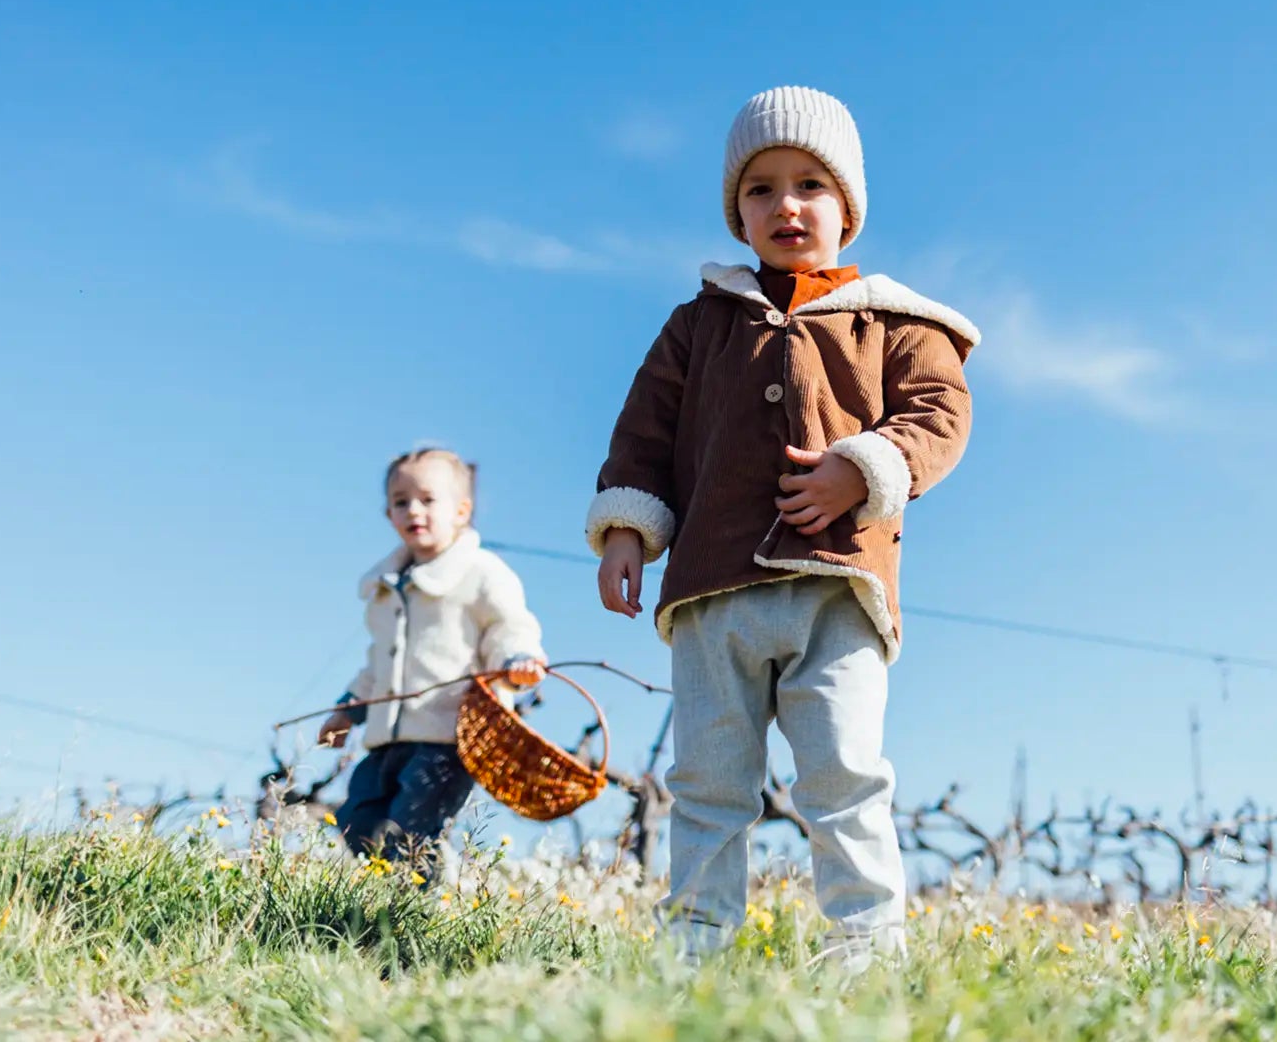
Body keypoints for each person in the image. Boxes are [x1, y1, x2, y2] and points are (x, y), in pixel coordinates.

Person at [586, 86, 978, 969]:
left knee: (843, 776)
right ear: (737, 213)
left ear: (848, 206)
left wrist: (865, 467)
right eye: (760, 188)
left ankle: (867, 956)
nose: (786, 204)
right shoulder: (698, 324)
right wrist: (626, 527)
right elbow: (644, 430)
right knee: (708, 784)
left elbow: (938, 414)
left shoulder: (898, 323)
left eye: (810, 184)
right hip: (711, 595)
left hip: (838, 592)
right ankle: (693, 954)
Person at [318, 447, 547, 881]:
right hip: (386, 739)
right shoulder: (385, 591)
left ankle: (420, 911)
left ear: (462, 510)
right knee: (357, 820)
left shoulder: (480, 572)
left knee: (414, 831)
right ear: (388, 514)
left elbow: (508, 626)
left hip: (447, 737)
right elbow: (376, 664)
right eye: (401, 502)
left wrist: (518, 659)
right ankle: (387, 896)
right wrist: (347, 710)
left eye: (427, 499)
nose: (413, 510)